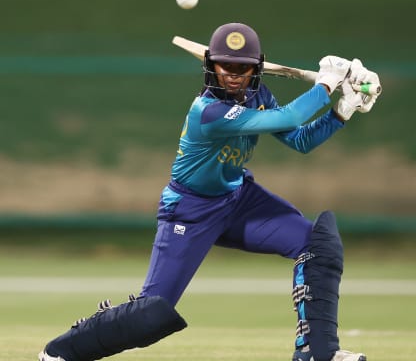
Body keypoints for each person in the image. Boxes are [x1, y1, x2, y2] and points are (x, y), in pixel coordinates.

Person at [39, 23, 381, 361]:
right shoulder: (208, 112)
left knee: (318, 244)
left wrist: (343, 109)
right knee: (150, 314)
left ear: (256, 68)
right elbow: (291, 117)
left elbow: (300, 139)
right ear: (210, 67)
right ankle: (61, 352)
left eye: (242, 68)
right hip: (190, 210)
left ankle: (319, 353)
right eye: (225, 66)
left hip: (238, 199)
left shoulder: (258, 96)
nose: (233, 75)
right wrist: (326, 82)